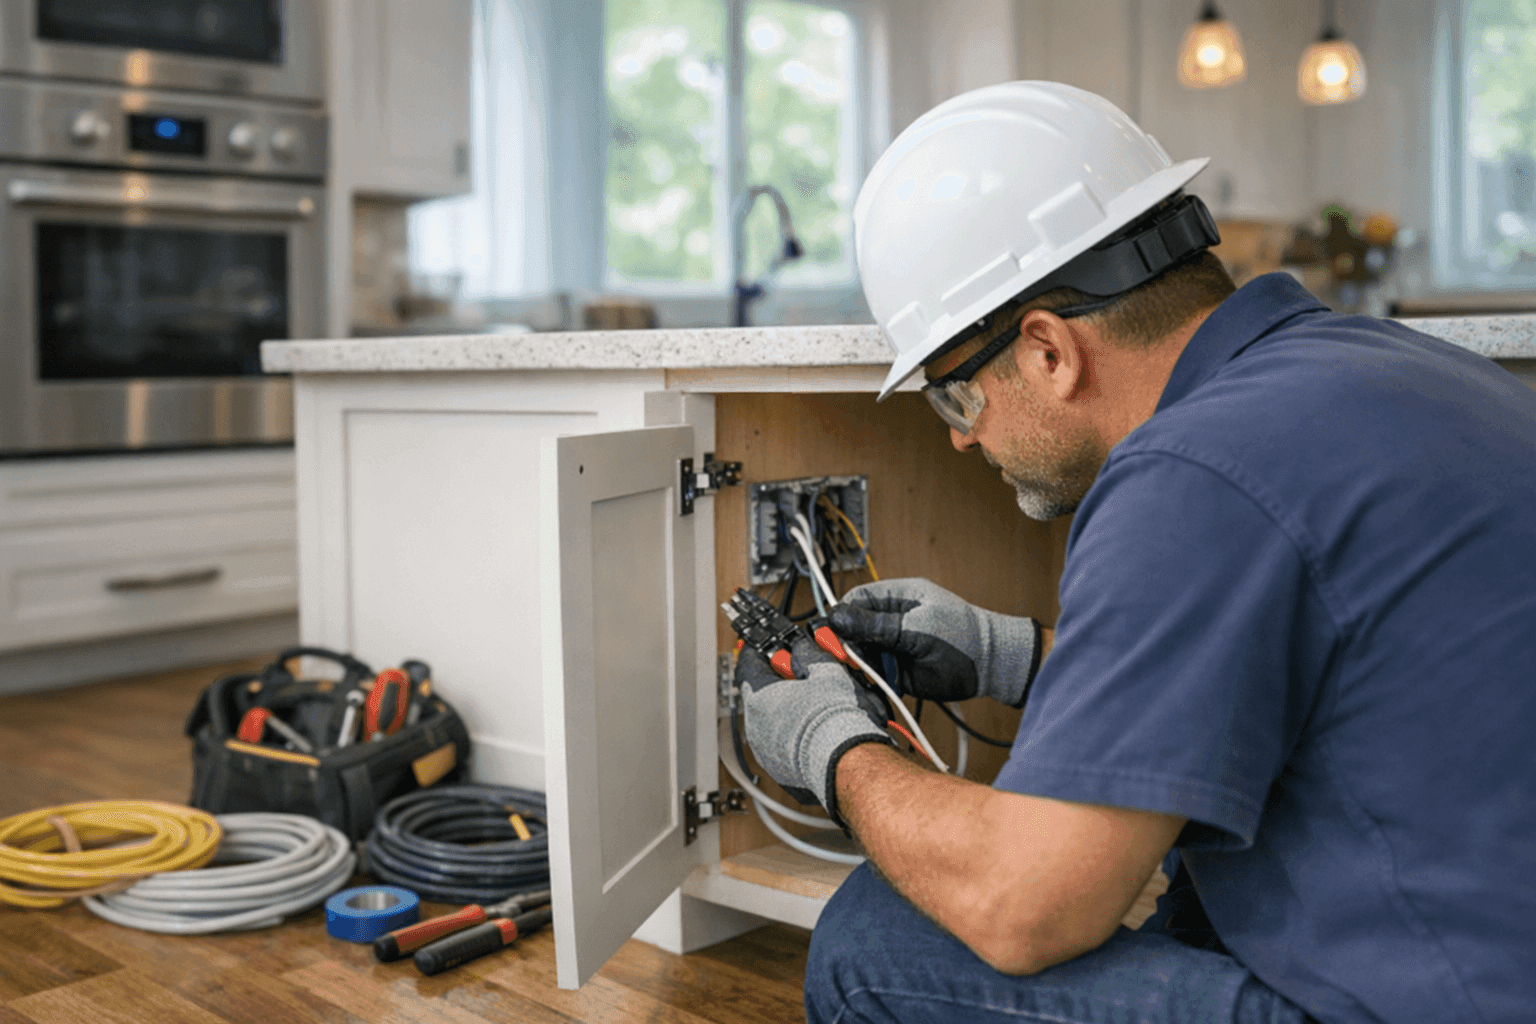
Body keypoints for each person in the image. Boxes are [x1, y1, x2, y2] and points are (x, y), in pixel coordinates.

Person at [733, 81, 1536, 1024]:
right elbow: (1312, 668)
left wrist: (835, 749)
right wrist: (1015, 655)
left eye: (957, 398)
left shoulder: (1188, 470)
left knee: (878, 942)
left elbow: (1020, 906)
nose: (958, 439)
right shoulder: (1396, 369)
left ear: (1046, 352)